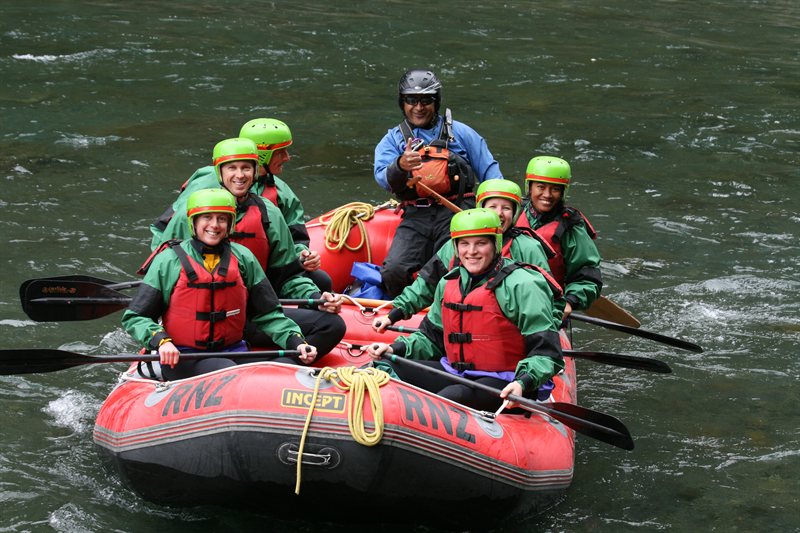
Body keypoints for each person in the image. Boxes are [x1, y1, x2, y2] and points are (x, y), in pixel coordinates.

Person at [146, 138, 345, 356]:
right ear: (219, 172)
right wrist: (159, 333)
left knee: (332, 325)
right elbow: (161, 271)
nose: (239, 175)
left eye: (246, 168)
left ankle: (273, 369)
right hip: (200, 317)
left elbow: (288, 276)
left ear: (255, 171)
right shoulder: (192, 214)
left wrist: (315, 297)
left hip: (252, 313)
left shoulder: (268, 213)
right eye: (232, 168)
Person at [366, 208, 564, 412]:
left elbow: (546, 353)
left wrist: (523, 382)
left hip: (509, 380)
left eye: (481, 243)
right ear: (456, 247)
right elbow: (431, 339)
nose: (471, 251)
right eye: (464, 244)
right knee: (386, 368)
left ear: (495, 244)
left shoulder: (523, 285)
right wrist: (394, 349)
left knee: (453, 396)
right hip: (455, 371)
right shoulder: (448, 282)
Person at [122, 188, 317, 380]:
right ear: (194, 222)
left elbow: (268, 314)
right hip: (183, 357)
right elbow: (136, 317)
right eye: (207, 217)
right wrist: (161, 341)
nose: (214, 225)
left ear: (230, 224)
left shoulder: (243, 258)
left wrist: (296, 341)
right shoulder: (169, 261)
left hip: (234, 352)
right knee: (227, 370)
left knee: (290, 370)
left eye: (222, 219)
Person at [148, 118, 331, 291]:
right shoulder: (204, 187)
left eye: (245, 168)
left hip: (258, 272)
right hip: (210, 272)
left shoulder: (280, 192)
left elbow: (296, 237)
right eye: (280, 152)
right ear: (263, 155)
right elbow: (167, 230)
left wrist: (302, 254)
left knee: (321, 280)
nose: (287, 157)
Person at [374, 68, 504, 298]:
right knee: (394, 270)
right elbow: (384, 179)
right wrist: (401, 166)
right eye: (411, 100)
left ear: (437, 102)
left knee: (446, 267)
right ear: (402, 103)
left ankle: (450, 309)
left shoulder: (462, 134)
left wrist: (497, 209)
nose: (418, 107)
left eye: (426, 100)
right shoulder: (392, 140)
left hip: (457, 212)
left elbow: (491, 175)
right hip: (416, 215)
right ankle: (407, 312)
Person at [372, 178, 559, 332]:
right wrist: (394, 313)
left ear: (516, 212)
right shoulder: (457, 245)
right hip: (458, 327)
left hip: (503, 332)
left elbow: (548, 299)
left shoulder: (528, 247)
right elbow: (425, 286)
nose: (499, 214)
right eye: (492, 207)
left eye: (506, 208)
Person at [516, 156, 602, 320]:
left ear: (563, 191)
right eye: (540, 187)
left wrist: (570, 301)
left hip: (548, 308)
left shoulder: (571, 227)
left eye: (555, 189)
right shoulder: (511, 213)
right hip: (509, 301)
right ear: (529, 187)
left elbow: (587, 276)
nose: (547, 195)